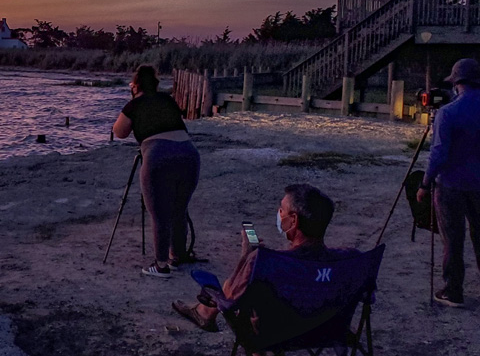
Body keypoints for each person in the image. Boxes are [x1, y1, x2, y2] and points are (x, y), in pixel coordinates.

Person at [171, 184, 356, 334]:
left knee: (241, 291)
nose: (278, 213)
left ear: (294, 221)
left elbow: (232, 301)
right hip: (327, 333)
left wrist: (246, 257)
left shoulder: (266, 263)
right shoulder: (351, 260)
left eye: (281, 210)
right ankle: (204, 313)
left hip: (274, 336)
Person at [417, 59, 480, 307]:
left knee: (453, 238)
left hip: (451, 183)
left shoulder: (447, 113)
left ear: (457, 83)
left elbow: (439, 153)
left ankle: (453, 289)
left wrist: (425, 183)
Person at [112, 65, 200, 278]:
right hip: (189, 154)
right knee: (179, 208)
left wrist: (132, 103)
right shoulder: (167, 100)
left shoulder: (133, 105)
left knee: (159, 213)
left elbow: (119, 132)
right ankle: (178, 255)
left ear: (135, 85)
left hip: (157, 156)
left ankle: (161, 265)